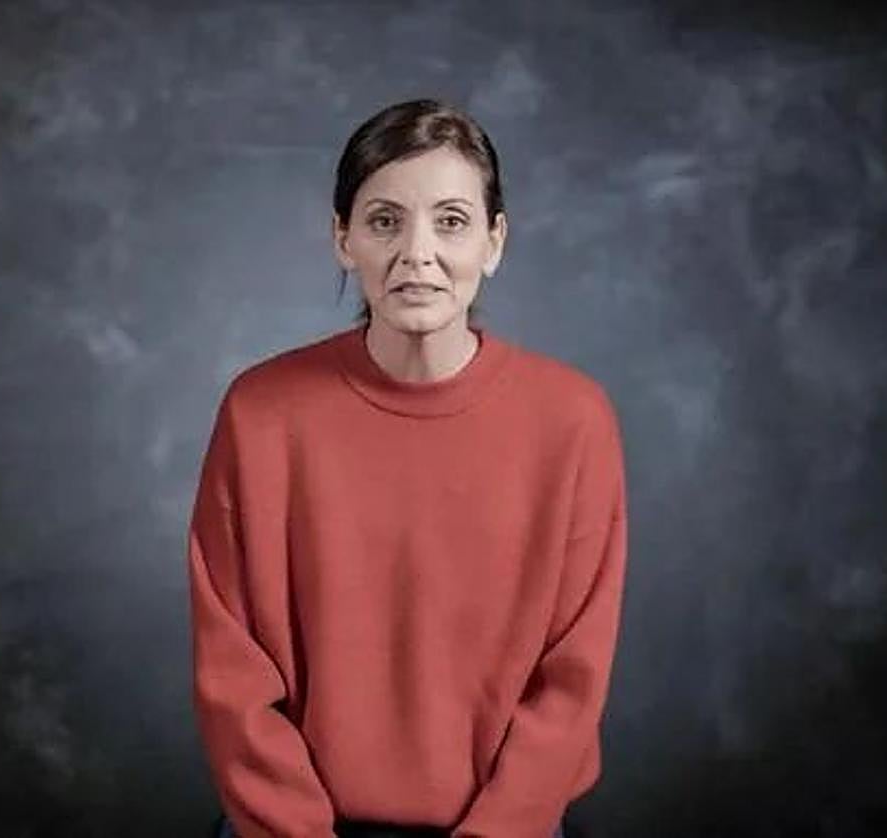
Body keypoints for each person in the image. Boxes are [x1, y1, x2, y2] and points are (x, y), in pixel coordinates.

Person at [187, 98, 629, 838]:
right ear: (343, 239)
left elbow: (571, 681)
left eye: (450, 221)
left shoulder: (573, 421)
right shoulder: (260, 413)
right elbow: (233, 673)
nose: (417, 252)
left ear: (494, 242)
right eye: (385, 221)